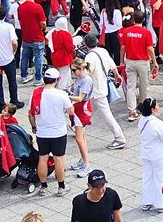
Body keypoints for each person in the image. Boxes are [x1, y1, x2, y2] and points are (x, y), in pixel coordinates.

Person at [28, 67, 74, 196]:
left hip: (42, 133)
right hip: (58, 132)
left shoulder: (36, 93)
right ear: (57, 80)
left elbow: (30, 114)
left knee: (43, 158)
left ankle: (43, 187)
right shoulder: (61, 94)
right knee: (59, 159)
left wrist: (34, 127)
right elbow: (71, 112)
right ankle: (61, 187)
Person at [82, 33, 126, 149]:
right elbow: (112, 65)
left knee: (106, 115)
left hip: (96, 90)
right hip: (101, 88)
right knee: (88, 110)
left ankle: (120, 138)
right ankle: (78, 126)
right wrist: (117, 75)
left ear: (86, 44)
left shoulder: (89, 57)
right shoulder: (103, 51)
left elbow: (87, 74)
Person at [120, 10, 158, 122]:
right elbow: (150, 48)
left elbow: (123, 48)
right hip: (142, 62)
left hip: (130, 61)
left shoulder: (127, 32)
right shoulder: (146, 33)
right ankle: (143, 108)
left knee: (130, 87)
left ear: (133, 20)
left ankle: (131, 111)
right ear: (143, 20)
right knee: (143, 86)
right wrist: (154, 62)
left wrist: (122, 61)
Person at [137, 97, 163, 213]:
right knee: (160, 178)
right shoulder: (156, 123)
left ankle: (146, 201)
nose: (158, 107)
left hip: (146, 153)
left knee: (147, 177)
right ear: (152, 109)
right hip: (158, 154)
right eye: (157, 105)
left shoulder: (142, 120)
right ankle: (160, 203)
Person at [0, 4, 23, 110]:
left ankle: (1, 103)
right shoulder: (9, 27)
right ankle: (14, 100)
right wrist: (13, 51)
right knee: (12, 80)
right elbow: (15, 42)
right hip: (8, 57)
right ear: (4, 15)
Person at [67, 58, 94, 177]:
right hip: (79, 108)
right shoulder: (80, 78)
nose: (72, 73)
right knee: (82, 137)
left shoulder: (86, 80)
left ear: (81, 68)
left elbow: (79, 98)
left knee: (79, 138)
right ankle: (83, 160)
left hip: (81, 108)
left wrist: (66, 96)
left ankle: (87, 164)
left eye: (74, 70)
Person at [19, 0, 46, 85]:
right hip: (37, 36)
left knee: (25, 56)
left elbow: (21, 21)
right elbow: (43, 23)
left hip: (26, 36)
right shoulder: (37, 7)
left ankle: (24, 76)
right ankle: (38, 78)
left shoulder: (20, 7)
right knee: (38, 57)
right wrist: (43, 29)